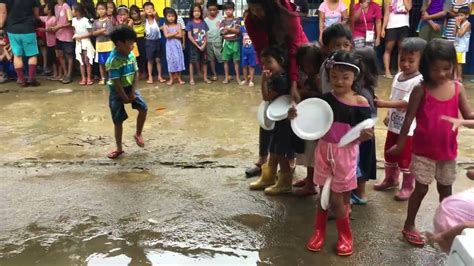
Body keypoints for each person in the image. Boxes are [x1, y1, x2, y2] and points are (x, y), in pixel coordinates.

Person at [388, 39, 474, 247]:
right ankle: (409, 225)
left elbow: (469, 116)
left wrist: (468, 121)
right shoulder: (421, 89)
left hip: (448, 152)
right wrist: (400, 145)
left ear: (454, 66)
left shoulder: (458, 88)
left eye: (447, 68)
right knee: (421, 189)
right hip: (423, 151)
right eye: (436, 69)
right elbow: (408, 119)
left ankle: (446, 228)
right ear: (426, 68)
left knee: (446, 191)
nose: (442, 73)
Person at [305, 51, 373, 256]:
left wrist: (364, 135)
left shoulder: (361, 102)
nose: (339, 81)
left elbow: (365, 131)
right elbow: (312, 121)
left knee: (336, 197)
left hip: (346, 153)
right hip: (324, 150)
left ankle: (345, 235)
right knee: (322, 193)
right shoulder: (325, 100)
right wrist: (296, 115)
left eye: (345, 77)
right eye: (334, 76)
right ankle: (319, 231)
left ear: (355, 77)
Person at [244, 0, 308, 177]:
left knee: (290, 111)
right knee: (269, 111)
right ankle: (263, 159)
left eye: (259, 6)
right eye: (252, 7)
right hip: (274, 62)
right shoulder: (250, 20)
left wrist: (294, 83)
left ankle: (290, 159)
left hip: (297, 59)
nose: (256, 11)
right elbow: (259, 50)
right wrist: (268, 72)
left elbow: (295, 47)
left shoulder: (286, 12)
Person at [374, 37, 426, 201]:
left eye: (411, 60)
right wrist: (388, 115)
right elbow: (393, 95)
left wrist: (383, 104)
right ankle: (391, 179)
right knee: (389, 153)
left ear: (421, 61)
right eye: (402, 59)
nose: (406, 64)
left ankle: (408, 186)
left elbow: (406, 102)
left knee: (405, 157)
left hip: (409, 129)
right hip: (394, 125)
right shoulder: (398, 77)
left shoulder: (418, 81)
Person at [249, 46, 299, 195]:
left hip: (284, 121)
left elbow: (266, 97)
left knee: (280, 152)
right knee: (273, 149)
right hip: (279, 120)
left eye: (269, 62)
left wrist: (263, 81)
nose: (266, 67)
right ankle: (269, 176)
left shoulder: (280, 79)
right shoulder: (280, 76)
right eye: (263, 63)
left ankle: (284, 182)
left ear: (280, 61)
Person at [106, 26, 147, 159]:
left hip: (130, 87)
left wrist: (133, 92)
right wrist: (123, 96)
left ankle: (138, 133)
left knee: (143, 108)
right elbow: (116, 81)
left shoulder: (130, 54)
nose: (132, 45)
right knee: (118, 121)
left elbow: (136, 73)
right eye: (130, 43)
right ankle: (119, 148)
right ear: (119, 43)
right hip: (116, 91)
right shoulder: (113, 61)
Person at [292, 42, 325, 197]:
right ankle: (309, 178)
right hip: (308, 120)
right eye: (304, 66)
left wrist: (306, 93)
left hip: (317, 122)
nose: (306, 69)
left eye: (309, 65)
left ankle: (311, 184)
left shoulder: (319, 78)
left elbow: (324, 98)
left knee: (312, 153)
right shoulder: (307, 76)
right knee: (307, 151)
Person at [351, 47, 378, 205]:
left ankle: (361, 194)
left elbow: (370, 116)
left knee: (359, 164)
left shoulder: (362, 92)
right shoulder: (366, 87)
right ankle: (357, 191)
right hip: (362, 134)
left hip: (362, 135)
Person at [0, 0, 41, 87]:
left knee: (17, 55)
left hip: (12, 29)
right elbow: (36, 14)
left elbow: (3, 13)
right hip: (28, 28)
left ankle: (21, 80)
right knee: (32, 54)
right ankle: (31, 79)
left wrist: (1, 25)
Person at [426, 188, 474, 253]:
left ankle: (437, 237)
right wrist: (442, 236)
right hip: (450, 218)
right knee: (459, 250)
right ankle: (439, 239)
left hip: (447, 206)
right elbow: (466, 225)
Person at [320, 23, 353, 94]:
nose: (342, 49)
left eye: (346, 45)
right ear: (326, 48)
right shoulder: (327, 66)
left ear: (351, 46)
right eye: (337, 46)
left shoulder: (352, 65)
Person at [382, 0, 412, 78]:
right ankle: (387, 71)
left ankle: (400, 71)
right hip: (391, 25)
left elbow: (409, 7)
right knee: (388, 49)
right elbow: (386, 13)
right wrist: (383, 28)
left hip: (404, 25)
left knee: (401, 50)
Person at [186, 4, 209, 86]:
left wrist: (204, 44)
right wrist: (198, 46)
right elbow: (189, 36)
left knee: (204, 62)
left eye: (198, 11)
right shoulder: (190, 23)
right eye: (195, 11)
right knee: (192, 62)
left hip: (203, 46)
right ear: (192, 12)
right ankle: (192, 79)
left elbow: (206, 35)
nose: (197, 13)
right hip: (194, 46)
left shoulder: (203, 22)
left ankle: (205, 78)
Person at [72, 3, 94, 86]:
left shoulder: (85, 20)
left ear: (77, 11)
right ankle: (83, 78)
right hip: (78, 42)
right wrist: (75, 36)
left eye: (73, 10)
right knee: (81, 61)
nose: (72, 11)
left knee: (87, 61)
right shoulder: (74, 20)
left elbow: (90, 33)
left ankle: (89, 78)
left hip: (86, 41)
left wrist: (81, 36)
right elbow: (74, 30)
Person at [143, 2, 165, 84]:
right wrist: (145, 12)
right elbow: (142, 14)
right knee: (150, 60)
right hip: (149, 42)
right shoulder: (144, 21)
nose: (149, 10)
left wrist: (154, 12)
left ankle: (159, 76)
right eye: (147, 9)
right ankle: (150, 76)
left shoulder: (156, 19)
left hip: (157, 41)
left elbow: (156, 15)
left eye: (151, 8)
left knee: (158, 60)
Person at [220, 1, 241, 85]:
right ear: (224, 11)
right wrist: (231, 29)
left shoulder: (237, 20)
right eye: (226, 9)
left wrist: (228, 29)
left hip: (235, 43)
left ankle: (238, 78)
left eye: (230, 9)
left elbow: (238, 31)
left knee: (236, 61)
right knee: (225, 61)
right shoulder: (222, 21)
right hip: (226, 43)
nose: (228, 11)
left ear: (233, 10)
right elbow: (222, 33)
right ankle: (226, 78)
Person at [53, 0, 74, 84]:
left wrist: (60, 26)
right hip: (58, 35)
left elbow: (70, 22)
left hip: (67, 35)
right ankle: (65, 73)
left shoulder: (66, 7)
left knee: (69, 55)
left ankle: (69, 74)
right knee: (60, 54)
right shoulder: (55, 7)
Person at [92, 2, 114, 85]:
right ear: (96, 10)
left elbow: (109, 32)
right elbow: (93, 33)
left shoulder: (109, 21)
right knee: (101, 63)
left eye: (102, 9)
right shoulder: (95, 21)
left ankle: (111, 78)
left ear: (106, 10)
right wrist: (102, 30)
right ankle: (103, 78)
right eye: (99, 9)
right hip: (99, 44)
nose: (101, 11)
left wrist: (99, 31)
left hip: (108, 44)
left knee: (109, 62)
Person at [163, 8, 185, 86]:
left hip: (177, 45)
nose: (171, 18)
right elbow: (166, 36)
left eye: (172, 16)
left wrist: (171, 34)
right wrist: (175, 33)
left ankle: (179, 78)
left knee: (179, 60)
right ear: (166, 17)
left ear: (175, 17)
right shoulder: (165, 25)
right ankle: (171, 79)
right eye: (169, 16)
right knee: (170, 61)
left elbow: (180, 35)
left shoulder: (178, 25)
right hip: (169, 46)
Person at [40, 2, 60, 82]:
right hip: (49, 42)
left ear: (49, 10)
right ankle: (55, 73)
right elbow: (39, 17)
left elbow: (53, 29)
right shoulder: (47, 18)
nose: (44, 9)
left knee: (56, 59)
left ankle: (59, 73)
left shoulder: (53, 18)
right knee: (52, 59)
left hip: (54, 41)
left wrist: (44, 30)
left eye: (46, 7)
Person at [204, 1, 223, 82]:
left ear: (217, 10)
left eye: (214, 10)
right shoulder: (205, 20)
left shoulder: (221, 18)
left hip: (218, 41)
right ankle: (214, 74)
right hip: (208, 42)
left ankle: (226, 74)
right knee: (211, 59)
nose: (212, 11)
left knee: (222, 58)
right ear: (207, 10)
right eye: (210, 10)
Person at [240, 10, 257, 87]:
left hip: (252, 50)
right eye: (245, 17)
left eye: (249, 18)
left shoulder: (255, 28)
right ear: (243, 19)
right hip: (244, 50)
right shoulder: (242, 28)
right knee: (244, 65)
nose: (246, 19)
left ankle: (251, 80)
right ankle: (246, 79)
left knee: (251, 65)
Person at [130, 5, 147, 80]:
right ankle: (137, 72)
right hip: (134, 41)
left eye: (135, 13)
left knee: (143, 57)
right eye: (132, 14)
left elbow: (145, 13)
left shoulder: (142, 20)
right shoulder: (131, 22)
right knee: (136, 57)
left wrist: (140, 12)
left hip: (142, 40)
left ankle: (144, 72)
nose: (134, 15)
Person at [454, 6, 471, 82]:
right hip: (456, 45)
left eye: (461, 15)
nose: (459, 17)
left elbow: (461, 34)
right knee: (455, 61)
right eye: (458, 15)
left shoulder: (467, 24)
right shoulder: (459, 23)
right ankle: (455, 76)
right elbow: (453, 34)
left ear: (467, 16)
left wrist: (458, 25)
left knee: (459, 63)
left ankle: (459, 77)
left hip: (462, 47)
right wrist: (456, 25)